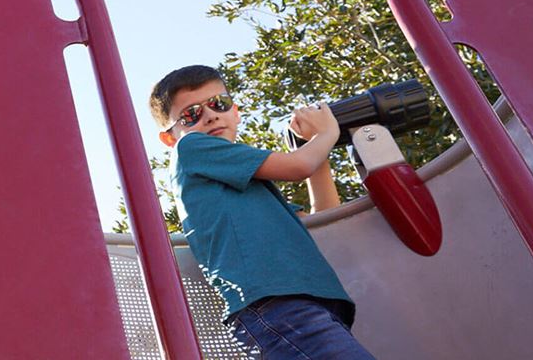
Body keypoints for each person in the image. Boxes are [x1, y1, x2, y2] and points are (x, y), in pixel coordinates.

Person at [150, 65, 373, 359]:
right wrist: (328, 131)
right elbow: (297, 167)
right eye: (191, 114)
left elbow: (322, 219)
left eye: (219, 104)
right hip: (276, 305)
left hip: (302, 305)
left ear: (236, 111)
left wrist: (314, 147)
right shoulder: (190, 147)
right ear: (170, 137)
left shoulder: (248, 190)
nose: (211, 115)